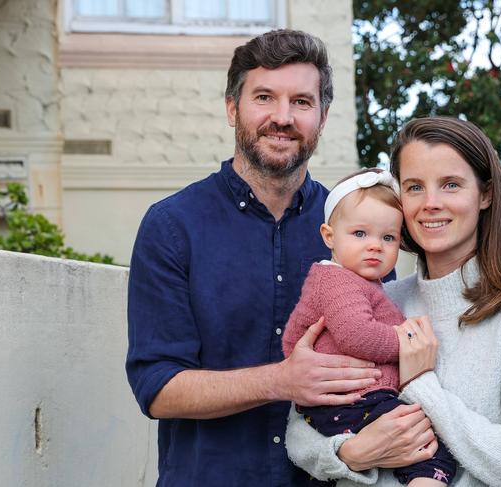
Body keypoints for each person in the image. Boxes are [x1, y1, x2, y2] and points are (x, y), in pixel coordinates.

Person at [125, 30, 388, 487]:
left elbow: (385, 351)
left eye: (302, 102)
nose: (282, 118)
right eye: (264, 97)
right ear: (233, 108)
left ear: (323, 117)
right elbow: (157, 388)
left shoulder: (361, 230)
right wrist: (282, 381)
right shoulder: (172, 226)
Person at [285, 116, 501, 486]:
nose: (431, 204)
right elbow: (299, 426)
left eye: (451, 184)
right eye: (415, 187)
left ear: (485, 194)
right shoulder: (379, 301)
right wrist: (350, 453)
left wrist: (421, 383)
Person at [282, 168, 457, 486]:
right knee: (431, 451)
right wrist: (407, 340)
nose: (375, 245)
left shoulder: (359, 282)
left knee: (413, 446)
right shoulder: (337, 281)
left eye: (388, 237)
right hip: (354, 400)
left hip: (350, 400)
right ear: (329, 236)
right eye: (360, 234)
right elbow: (356, 335)